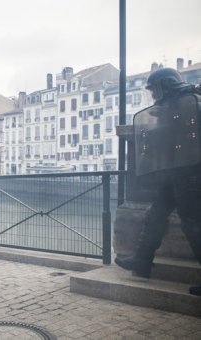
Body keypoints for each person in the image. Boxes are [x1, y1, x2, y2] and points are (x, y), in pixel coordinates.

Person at [114, 68, 201, 296]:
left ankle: (142, 261)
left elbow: (185, 137)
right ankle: (142, 261)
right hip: (176, 171)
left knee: (193, 224)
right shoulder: (175, 103)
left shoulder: (189, 101)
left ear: (165, 84)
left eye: (154, 90)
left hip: (190, 172)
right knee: (155, 215)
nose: (153, 96)